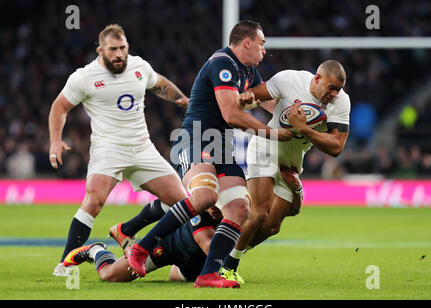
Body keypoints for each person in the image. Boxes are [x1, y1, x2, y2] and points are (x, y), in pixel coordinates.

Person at [125, 20, 294, 288]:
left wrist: (302, 120)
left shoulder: (249, 72)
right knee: (205, 196)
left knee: (240, 208)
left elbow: (273, 106)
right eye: (262, 45)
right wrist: (272, 133)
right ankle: (141, 248)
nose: (265, 51)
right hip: (197, 139)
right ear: (247, 42)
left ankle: (208, 274)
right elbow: (231, 114)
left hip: (222, 146)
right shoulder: (222, 63)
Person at [49, 24, 191, 276]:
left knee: (183, 203)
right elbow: (59, 107)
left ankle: (127, 230)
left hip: (142, 147)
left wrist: (181, 99)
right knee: (94, 201)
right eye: (113, 49)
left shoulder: (139, 67)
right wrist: (55, 141)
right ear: (100, 50)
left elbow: (159, 83)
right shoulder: (84, 77)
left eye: (122, 48)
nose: (119, 54)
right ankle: (64, 264)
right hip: (108, 149)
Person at [220, 60, 351, 282]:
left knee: (271, 227)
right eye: (331, 87)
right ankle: (228, 265)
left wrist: (304, 129)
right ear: (317, 78)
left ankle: (221, 250)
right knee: (260, 211)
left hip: (290, 163)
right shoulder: (289, 80)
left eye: (338, 89)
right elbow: (255, 95)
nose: (334, 93)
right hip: (266, 147)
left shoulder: (341, 102)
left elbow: (337, 147)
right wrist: (246, 98)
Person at [63, 210, 221, 283]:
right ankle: (95, 250)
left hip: (194, 260)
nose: (214, 208)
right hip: (167, 245)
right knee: (110, 275)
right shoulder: (204, 200)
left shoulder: (236, 206)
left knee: (177, 278)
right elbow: (209, 244)